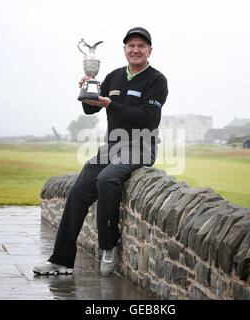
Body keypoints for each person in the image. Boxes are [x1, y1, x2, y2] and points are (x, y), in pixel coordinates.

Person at [33, 27, 168, 277]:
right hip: (112, 146)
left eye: (141, 46)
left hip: (140, 146)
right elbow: (90, 111)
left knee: (107, 179)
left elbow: (148, 118)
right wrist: (87, 92)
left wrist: (111, 104)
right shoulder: (114, 77)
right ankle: (61, 260)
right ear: (125, 50)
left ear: (150, 51)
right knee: (78, 190)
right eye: (131, 46)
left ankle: (108, 245)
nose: (135, 50)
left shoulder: (156, 80)